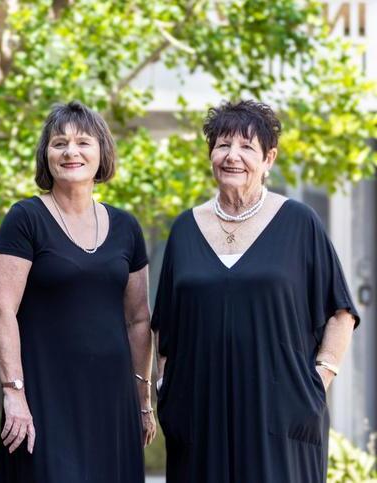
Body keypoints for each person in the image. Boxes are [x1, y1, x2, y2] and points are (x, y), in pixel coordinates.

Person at [152, 99, 360, 482]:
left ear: (269, 159)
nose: (232, 156)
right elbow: (165, 324)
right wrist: (166, 386)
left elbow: (341, 312)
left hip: (280, 414)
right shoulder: (184, 229)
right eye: (223, 145)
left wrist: (317, 382)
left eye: (247, 147)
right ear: (211, 155)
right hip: (199, 416)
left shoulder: (299, 223)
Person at [0, 101, 155, 482]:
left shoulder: (126, 227)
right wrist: (14, 393)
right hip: (43, 400)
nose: (70, 152)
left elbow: (138, 319)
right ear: (46, 155)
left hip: (112, 402)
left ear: (102, 152)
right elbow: (0, 310)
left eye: (83, 142)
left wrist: (143, 401)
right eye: (59, 143)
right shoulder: (25, 219)